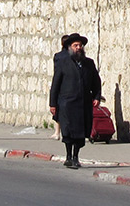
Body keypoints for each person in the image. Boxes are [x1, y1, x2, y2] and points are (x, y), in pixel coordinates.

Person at [48, 32, 101, 170]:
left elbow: (96, 81)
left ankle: (76, 157)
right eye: (75, 45)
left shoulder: (89, 63)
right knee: (68, 131)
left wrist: (96, 97)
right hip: (67, 103)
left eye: (80, 45)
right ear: (70, 48)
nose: (78, 47)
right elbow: (55, 84)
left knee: (80, 133)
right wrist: (53, 103)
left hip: (82, 103)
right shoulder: (63, 63)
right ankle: (68, 157)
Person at [50, 34, 70, 140]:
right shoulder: (74, 55)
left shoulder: (58, 56)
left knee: (58, 109)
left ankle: (57, 132)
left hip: (61, 85)